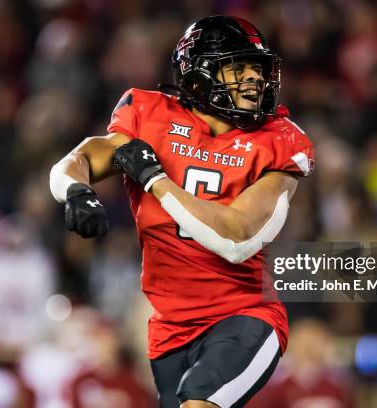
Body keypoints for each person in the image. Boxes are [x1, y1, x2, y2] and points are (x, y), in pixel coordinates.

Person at [50, 15, 315, 408]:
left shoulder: (279, 139)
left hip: (242, 312)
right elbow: (87, 155)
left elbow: (238, 238)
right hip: (169, 326)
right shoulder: (149, 113)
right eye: (238, 67)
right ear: (200, 72)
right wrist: (72, 189)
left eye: (257, 70)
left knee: (199, 403)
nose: (254, 80)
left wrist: (157, 182)